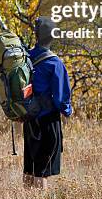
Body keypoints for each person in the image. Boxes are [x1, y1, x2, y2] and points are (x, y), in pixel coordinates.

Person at [23, 16, 72, 189]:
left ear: (36, 35)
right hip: (48, 120)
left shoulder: (26, 57)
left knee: (29, 166)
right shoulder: (54, 63)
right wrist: (67, 111)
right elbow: (61, 98)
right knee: (42, 170)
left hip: (29, 117)